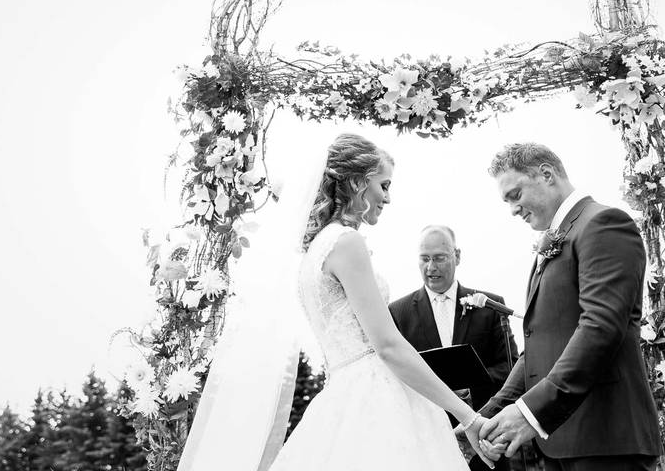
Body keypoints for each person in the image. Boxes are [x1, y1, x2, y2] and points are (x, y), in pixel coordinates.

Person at [178, 133, 491, 470]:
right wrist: (468, 417)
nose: (388, 197)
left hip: (341, 396)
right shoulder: (346, 242)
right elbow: (388, 346)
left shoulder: (314, 253)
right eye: (383, 185)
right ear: (358, 182)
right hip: (376, 398)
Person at [476, 143, 661, 471]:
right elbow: (539, 344)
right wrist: (484, 418)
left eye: (515, 195)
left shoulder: (603, 224)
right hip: (560, 444)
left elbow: (599, 328)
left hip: (605, 443)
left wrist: (530, 413)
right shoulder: (558, 237)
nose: (513, 210)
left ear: (546, 174)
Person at [389, 225, 519, 471]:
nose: (431, 267)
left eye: (439, 258)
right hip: (427, 438)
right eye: (424, 258)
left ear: (457, 256)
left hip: (486, 435)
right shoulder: (397, 313)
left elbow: (510, 366)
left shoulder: (490, 306)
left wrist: (471, 383)